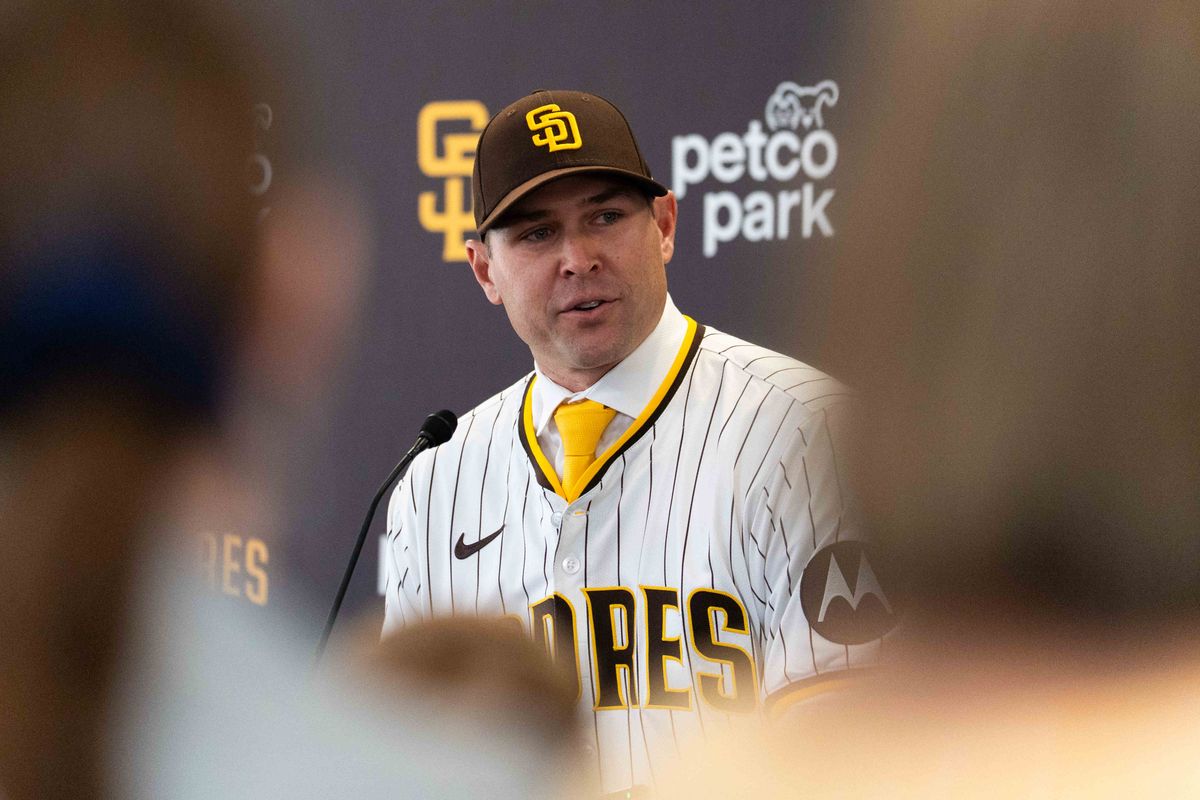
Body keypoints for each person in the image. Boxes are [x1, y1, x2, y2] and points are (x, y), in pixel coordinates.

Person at [381, 89, 895, 796]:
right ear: (484, 271)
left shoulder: (807, 433)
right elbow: (407, 764)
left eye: (606, 216)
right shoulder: (436, 480)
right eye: (536, 234)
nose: (578, 257)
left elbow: (846, 748)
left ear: (664, 224)